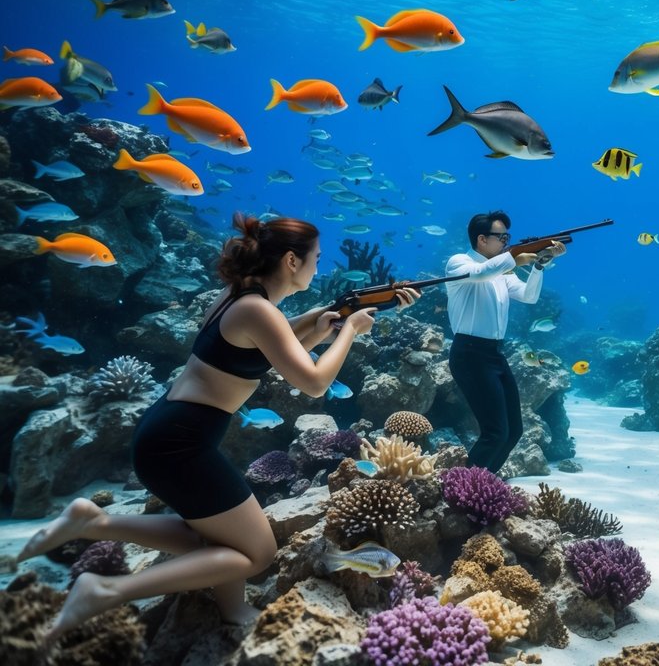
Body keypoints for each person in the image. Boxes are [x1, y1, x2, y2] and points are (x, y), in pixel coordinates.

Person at [18, 212, 417, 641]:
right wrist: (351, 329)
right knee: (258, 553)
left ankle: (99, 527)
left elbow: (275, 350)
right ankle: (105, 591)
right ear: (291, 261)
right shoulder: (256, 310)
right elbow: (315, 382)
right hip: (179, 445)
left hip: (169, 432)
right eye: (316, 258)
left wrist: (330, 320)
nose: (320, 266)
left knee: (213, 539)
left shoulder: (241, 298)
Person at [445, 210, 565, 473]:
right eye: (501, 237)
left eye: (507, 237)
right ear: (481, 239)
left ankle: (484, 485)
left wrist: (538, 265)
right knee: (495, 432)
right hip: (469, 353)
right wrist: (513, 258)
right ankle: (462, 490)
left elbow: (528, 295)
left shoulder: (502, 269)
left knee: (513, 432)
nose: (506, 242)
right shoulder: (459, 262)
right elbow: (479, 274)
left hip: (495, 354)